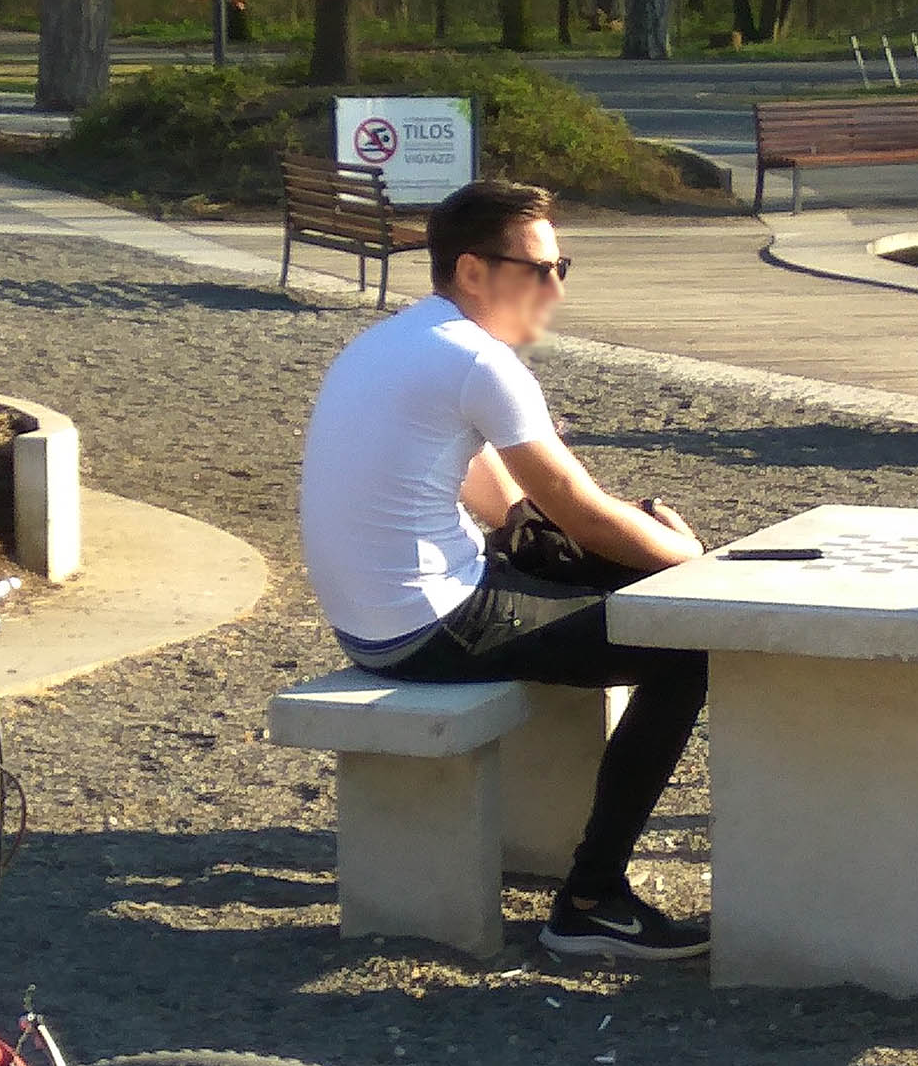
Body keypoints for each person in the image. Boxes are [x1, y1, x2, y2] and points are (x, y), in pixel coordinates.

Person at [299, 179, 713, 960]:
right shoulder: (478, 361)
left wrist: (607, 553)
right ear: (472, 271)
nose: (555, 289)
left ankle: (584, 878)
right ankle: (591, 899)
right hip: (431, 627)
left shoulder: (395, 340)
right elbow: (580, 512)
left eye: (562, 267)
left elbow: (501, 502)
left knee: (621, 584)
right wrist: (693, 562)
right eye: (539, 269)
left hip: (372, 622)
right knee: (685, 644)